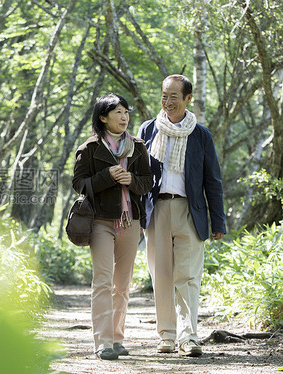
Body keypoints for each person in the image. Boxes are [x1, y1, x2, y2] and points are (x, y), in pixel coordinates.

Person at [138, 74, 226, 357]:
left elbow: (213, 180)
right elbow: (137, 173)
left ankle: (188, 337)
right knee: (161, 275)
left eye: (174, 96)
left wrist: (218, 221)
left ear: (188, 99)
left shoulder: (200, 135)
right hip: (157, 209)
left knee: (188, 276)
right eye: (164, 95)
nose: (167, 102)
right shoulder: (149, 129)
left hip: (191, 210)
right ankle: (166, 335)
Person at [72, 94, 152, 360]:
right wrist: (106, 177)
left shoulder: (138, 146)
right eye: (117, 112)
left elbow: (148, 182)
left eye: (126, 112)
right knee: (103, 281)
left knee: (122, 284)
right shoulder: (90, 148)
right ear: (103, 117)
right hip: (100, 221)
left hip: (131, 221)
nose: (124, 116)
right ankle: (103, 342)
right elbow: (79, 184)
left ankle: (117, 339)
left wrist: (131, 180)